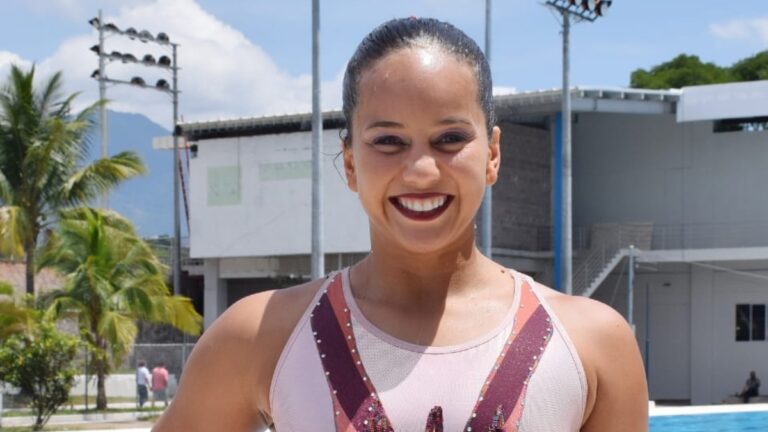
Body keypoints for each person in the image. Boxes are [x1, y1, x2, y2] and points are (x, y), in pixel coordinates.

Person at [153, 17, 648, 431]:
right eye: (388, 142)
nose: (421, 172)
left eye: (450, 138)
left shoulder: (592, 342)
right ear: (349, 162)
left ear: (493, 153)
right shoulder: (261, 334)